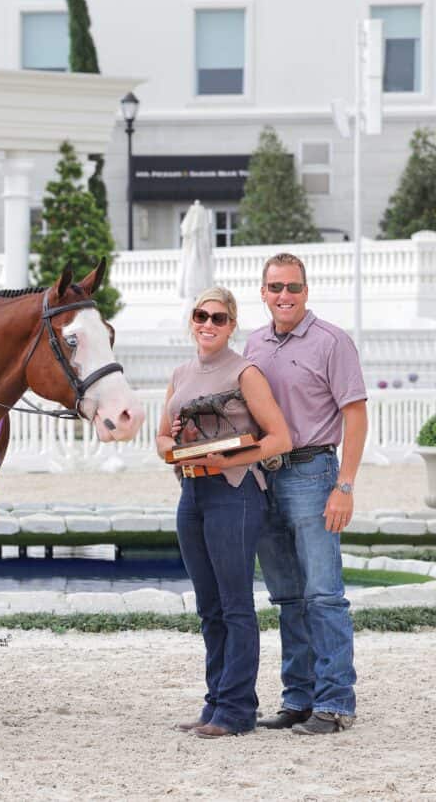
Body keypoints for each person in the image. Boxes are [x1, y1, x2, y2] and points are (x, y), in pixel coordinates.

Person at [156, 286, 291, 738]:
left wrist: (228, 459)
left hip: (235, 493)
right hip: (191, 493)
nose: (208, 324)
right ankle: (215, 703)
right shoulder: (180, 374)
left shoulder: (244, 372)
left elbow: (279, 438)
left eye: (218, 317)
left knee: (235, 606)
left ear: (232, 324)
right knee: (209, 607)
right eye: (201, 316)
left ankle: (237, 710)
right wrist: (178, 444)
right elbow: (161, 441)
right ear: (192, 321)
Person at [245, 253, 368, 736]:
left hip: (314, 474)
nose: (285, 295)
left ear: (306, 291)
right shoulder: (254, 344)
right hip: (265, 478)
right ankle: (298, 699)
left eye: (293, 287)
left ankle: (336, 703)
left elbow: (355, 415)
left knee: (323, 595)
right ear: (263, 292)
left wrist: (345, 486)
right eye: (276, 287)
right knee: (288, 598)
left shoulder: (332, 342)